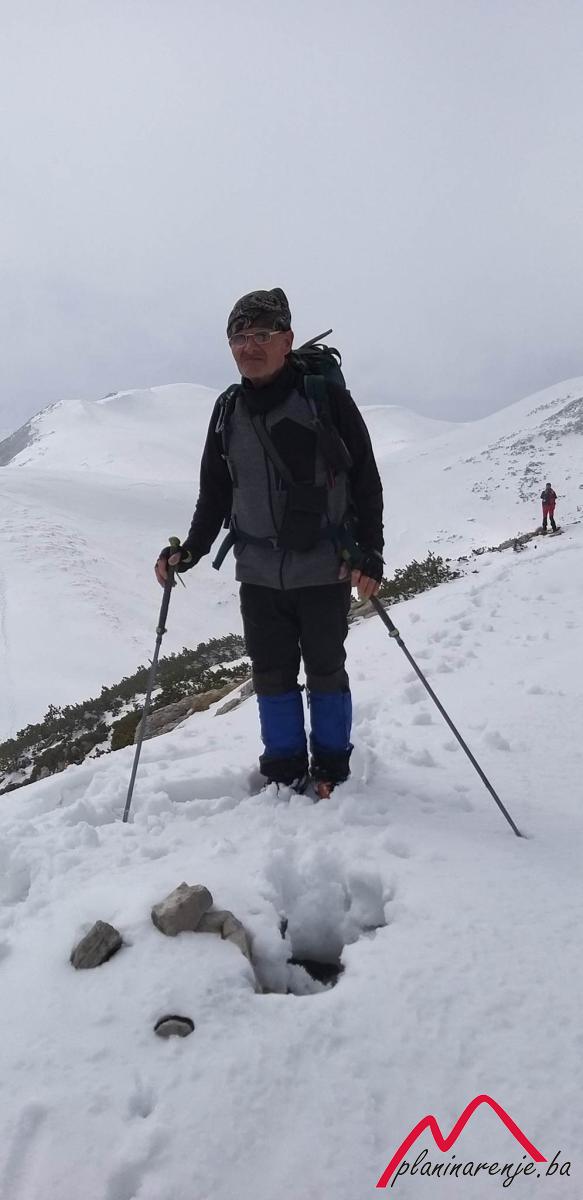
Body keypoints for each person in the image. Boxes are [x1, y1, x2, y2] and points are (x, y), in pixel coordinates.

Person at [155, 288, 384, 798]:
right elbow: (215, 492)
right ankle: (283, 770)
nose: (248, 347)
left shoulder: (324, 399)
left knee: (326, 670)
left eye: (261, 335)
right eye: (238, 338)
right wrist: (190, 550)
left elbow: (366, 480)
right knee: (271, 674)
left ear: (286, 339)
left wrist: (371, 553)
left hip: (324, 566)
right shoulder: (227, 410)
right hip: (258, 572)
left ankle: (331, 768)